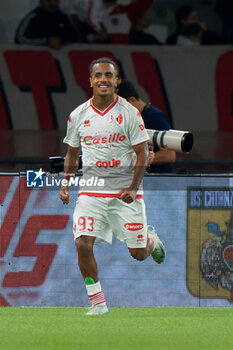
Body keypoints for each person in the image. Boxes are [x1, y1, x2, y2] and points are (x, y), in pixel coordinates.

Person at [60, 57, 166, 315]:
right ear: (91, 81)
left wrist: (133, 187)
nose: (103, 79)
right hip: (91, 191)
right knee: (82, 243)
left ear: (117, 81)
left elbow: (142, 154)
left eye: (108, 75)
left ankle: (150, 240)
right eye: (98, 75)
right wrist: (65, 183)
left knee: (138, 253)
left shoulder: (130, 114)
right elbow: (72, 154)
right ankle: (98, 304)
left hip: (124, 193)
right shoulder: (78, 115)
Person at [117, 80, 176, 173]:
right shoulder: (132, 120)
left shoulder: (155, 117)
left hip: (157, 183)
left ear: (131, 100)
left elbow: (169, 155)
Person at [15, 0, 80, 49]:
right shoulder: (33, 17)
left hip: (61, 62)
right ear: (41, 1)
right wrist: (46, 41)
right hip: (35, 59)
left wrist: (61, 40)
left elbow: (76, 37)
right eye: (48, 0)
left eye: (55, 0)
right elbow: (20, 39)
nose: (52, 3)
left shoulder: (63, 17)